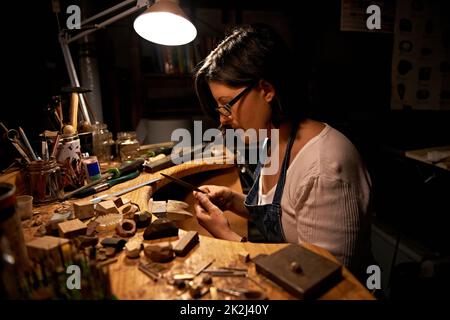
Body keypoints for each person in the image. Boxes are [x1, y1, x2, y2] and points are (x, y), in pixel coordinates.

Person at [192, 24, 373, 277]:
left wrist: (227, 236)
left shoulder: (324, 169)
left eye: (226, 105)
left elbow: (319, 279)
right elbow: (286, 218)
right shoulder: (275, 139)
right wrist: (233, 202)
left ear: (266, 90)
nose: (222, 119)